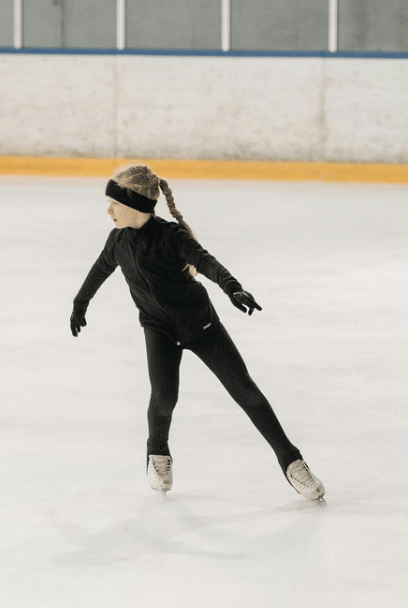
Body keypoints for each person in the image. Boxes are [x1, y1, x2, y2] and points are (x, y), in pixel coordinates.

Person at [70, 164, 325, 501]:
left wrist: (232, 288)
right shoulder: (118, 239)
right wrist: (80, 302)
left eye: (114, 204)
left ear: (134, 206)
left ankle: (291, 461)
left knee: (245, 392)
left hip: (199, 326)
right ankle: (157, 453)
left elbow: (206, 262)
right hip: (157, 328)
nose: (108, 210)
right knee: (163, 399)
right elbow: (100, 268)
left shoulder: (171, 236)